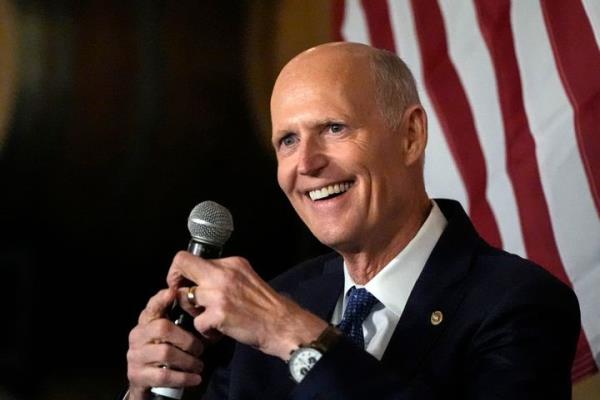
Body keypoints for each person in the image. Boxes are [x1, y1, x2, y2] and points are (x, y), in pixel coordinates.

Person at [125, 42, 580, 399]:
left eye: (333, 128)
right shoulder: (276, 300)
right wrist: (146, 391)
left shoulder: (519, 303)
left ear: (410, 135)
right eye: (287, 140)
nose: (306, 163)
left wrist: (293, 335)